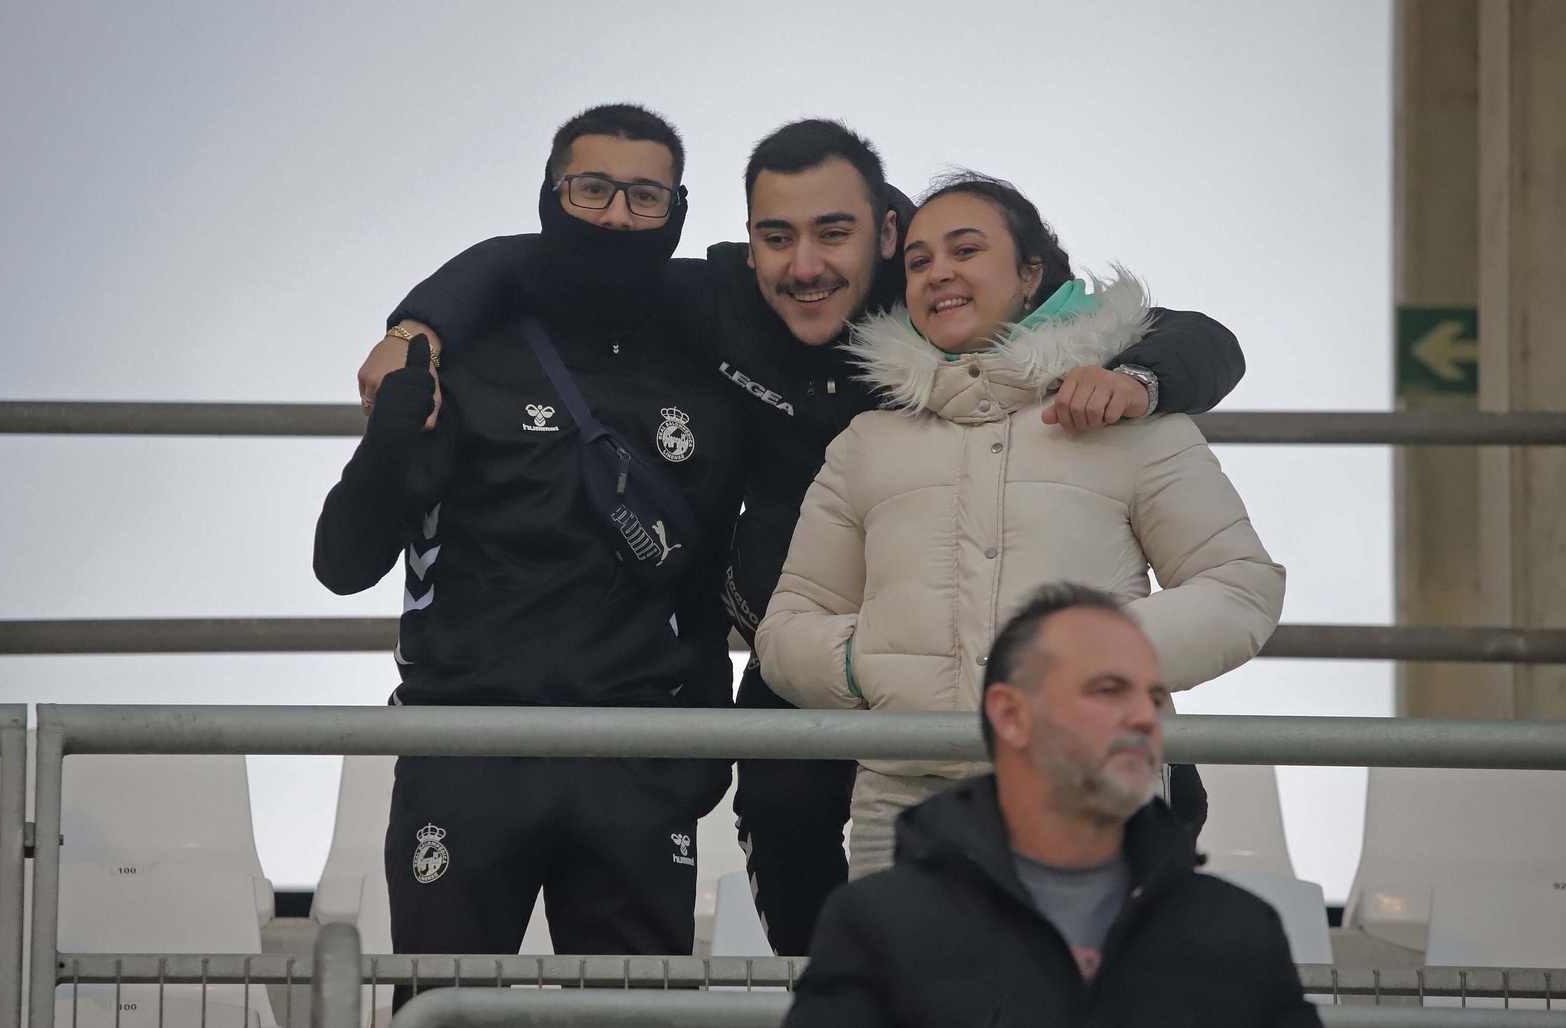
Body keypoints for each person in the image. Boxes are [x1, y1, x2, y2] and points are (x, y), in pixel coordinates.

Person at [355, 121, 1249, 954]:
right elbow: (528, 262)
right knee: (783, 797)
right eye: (775, 237)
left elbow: (1195, 337)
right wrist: (413, 329)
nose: (806, 265)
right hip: (826, 638)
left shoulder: (944, 303)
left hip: (1000, 628)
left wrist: (1136, 379)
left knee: (1149, 815)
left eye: (835, 233)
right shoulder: (726, 300)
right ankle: (830, 984)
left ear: (886, 232)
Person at [312, 104, 745, 979]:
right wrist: (394, 431)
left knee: (634, 1018)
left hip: (634, 758)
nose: (617, 216)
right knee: (446, 1009)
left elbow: (702, 591)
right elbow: (343, 564)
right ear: (550, 196)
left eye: (645, 196)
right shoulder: (465, 357)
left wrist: (705, 744)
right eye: (592, 189)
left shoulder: (707, 370)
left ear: (679, 211)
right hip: (469, 748)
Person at [755, 172, 1284, 878]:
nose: (939, 271)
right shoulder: (866, 442)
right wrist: (861, 665)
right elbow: (788, 625)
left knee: (1082, 992)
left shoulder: (1131, 418)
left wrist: (1101, 663)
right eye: (917, 262)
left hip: (1095, 793)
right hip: (904, 808)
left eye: (966, 249)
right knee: (910, 992)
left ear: (1031, 272)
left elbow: (1241, 587)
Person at [783, 583, 1319, 1028]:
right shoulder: (879, 928)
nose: (1142, 717)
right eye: (1108, 689)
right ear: (1011, 715)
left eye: (1154, 697)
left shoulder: (1238, 932)